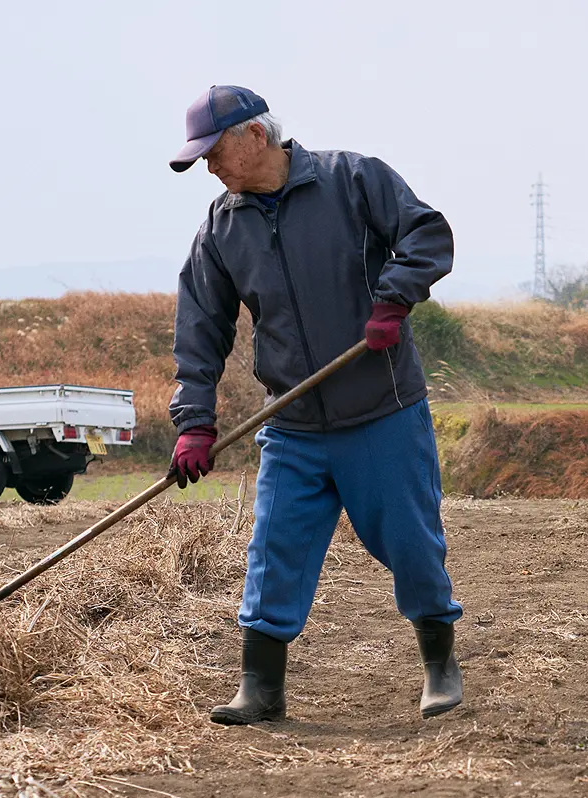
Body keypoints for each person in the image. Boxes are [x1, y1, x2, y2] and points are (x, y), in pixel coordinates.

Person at [167, 85, 463, 725]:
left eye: (213, 153)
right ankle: (261, 688)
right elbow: (199, 330)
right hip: (293, 425)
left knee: (412, 544)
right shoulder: (221, 228)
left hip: (380, 409)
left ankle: (440, 665)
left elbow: (427, 233)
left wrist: (394, 298)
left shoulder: (353, 180)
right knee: (275, 550)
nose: (209, 170)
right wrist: (194, 422)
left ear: (254, 135)